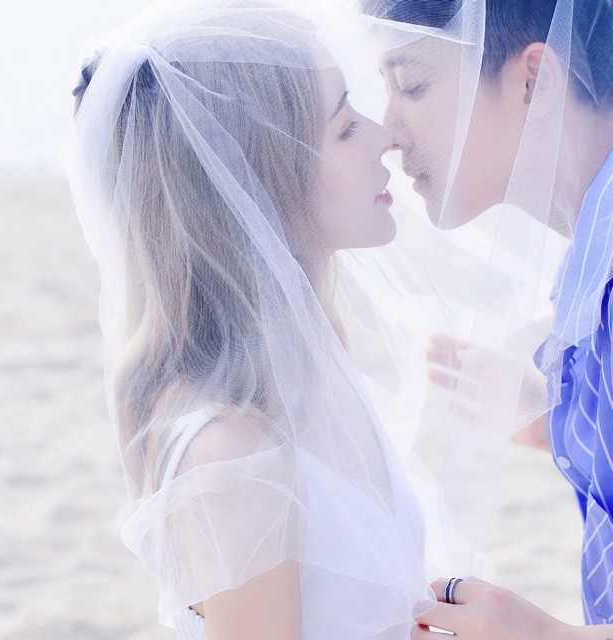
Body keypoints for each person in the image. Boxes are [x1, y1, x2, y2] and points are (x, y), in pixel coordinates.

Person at [67, 1, 499, 637]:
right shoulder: (231, 454)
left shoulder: (308, 368)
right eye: (344, 127)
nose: (383, 136)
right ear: (261, 179)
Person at [361, 0, 613, 636]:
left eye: (411, 85)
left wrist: (549, 636)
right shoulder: (592, 256)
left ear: (534, 81)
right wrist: (559, 419)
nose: (387, 131)